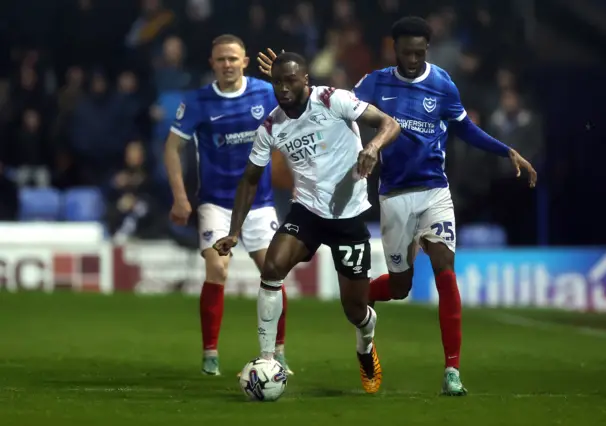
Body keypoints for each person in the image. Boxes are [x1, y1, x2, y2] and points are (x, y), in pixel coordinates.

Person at [256, 17, 537, 396]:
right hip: (394, 195)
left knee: (445, 271)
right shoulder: (374, 83)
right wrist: (287, 79)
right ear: (394, 49)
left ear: (428, 50)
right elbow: (328, 100)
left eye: (420, 52)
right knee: (401, 286)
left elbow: (464, 128)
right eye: (406, 52)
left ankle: (452, 370)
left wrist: (506, 150)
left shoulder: (441, 83)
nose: (413, 59)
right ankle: (360, 298)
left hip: (435, 191)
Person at [214, 52, 401, 394]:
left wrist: (373, 146)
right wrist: (234, 231)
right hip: (307, 212)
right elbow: (250, 179)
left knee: (355, 309)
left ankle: (365, 346)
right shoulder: (271, 125)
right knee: (272, 268)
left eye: (289, 81)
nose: (282, 89)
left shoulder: (333, 100)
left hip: (347, 217)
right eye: (277, 83)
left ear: (306, 82)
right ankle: (268, 360)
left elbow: (391, 124)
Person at [163, 34, 293, 377]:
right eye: (221, 59)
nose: (227, 65)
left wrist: (287, 74)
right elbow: (171, 148)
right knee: (218, 269)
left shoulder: (265, 93)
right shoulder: (197, 102)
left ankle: (278, 352)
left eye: (233, 58)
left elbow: (306, 110)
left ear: (245, 61)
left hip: (259, 202)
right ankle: (210, 354)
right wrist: (180, 196)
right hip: (216, 203)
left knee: (274, 272)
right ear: (212, 63)